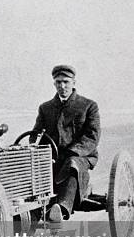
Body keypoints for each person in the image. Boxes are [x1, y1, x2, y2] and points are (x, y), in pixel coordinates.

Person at [32, 65, 100, 222]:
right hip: (53, 157)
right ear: (54, 84)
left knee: (71, 163)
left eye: (66, 82)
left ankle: (61, 209)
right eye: (58, 82)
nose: (62, 86)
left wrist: (72, 151)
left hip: (81, 156)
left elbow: (92, 136)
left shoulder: (88, 106)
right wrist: (38, 150)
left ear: (74, 82)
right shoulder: (45, 108)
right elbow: (36, 135)